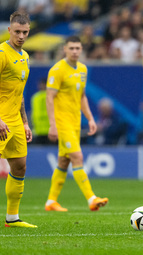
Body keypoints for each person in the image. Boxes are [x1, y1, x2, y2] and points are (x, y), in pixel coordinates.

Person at [45, 36, 108, 212]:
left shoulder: (82, 69)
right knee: (77, 157)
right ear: (65, 49)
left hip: (75, 122)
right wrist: (52, 125)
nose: (74, 51)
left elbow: (82, 96)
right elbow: (49, 97)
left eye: (77, 48)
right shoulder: (57, 70)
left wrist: (90, 118)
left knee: (64, 161)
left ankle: (51, 201)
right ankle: (91, 198)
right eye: (71, 48)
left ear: (81, 50)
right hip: (62, 122)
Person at [0, 11, 37, 228]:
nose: (21, 36)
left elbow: (19, 92)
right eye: (17, 32)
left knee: (20, 166)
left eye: (24, 32)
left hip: (14, 120)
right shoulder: (2, 53)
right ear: (9, 30)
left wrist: (24, 121)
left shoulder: (25, 57)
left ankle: (12, 218)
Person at [30, 78, 50, 144]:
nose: (41, 86)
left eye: (43, 84)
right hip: (38, 130)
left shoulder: (52, 96)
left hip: (50, 130)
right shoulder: (35, 97)